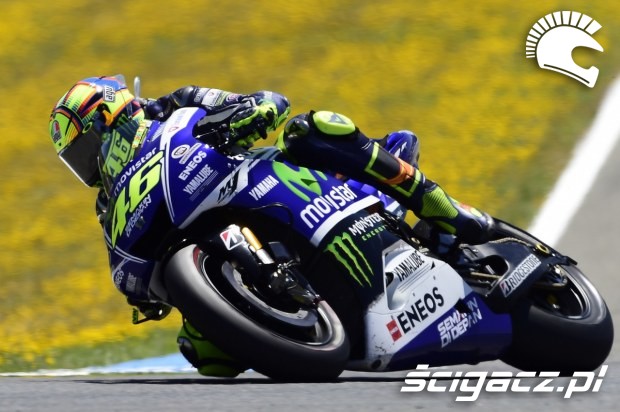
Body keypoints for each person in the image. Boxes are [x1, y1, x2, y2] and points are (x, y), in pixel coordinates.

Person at [48, 75, 494, 377]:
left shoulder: (176, 104)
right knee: (206, 356)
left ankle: (442, 208)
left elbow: (262, 101)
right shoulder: (108, 204)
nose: (85, 167)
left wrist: (249, 113)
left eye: (84, 149)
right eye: (75, 161)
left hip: (257, 178)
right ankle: (293, 320)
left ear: (109, 117)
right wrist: (143, 294)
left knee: (311, 129)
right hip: (201, 233)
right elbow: (122, 257)